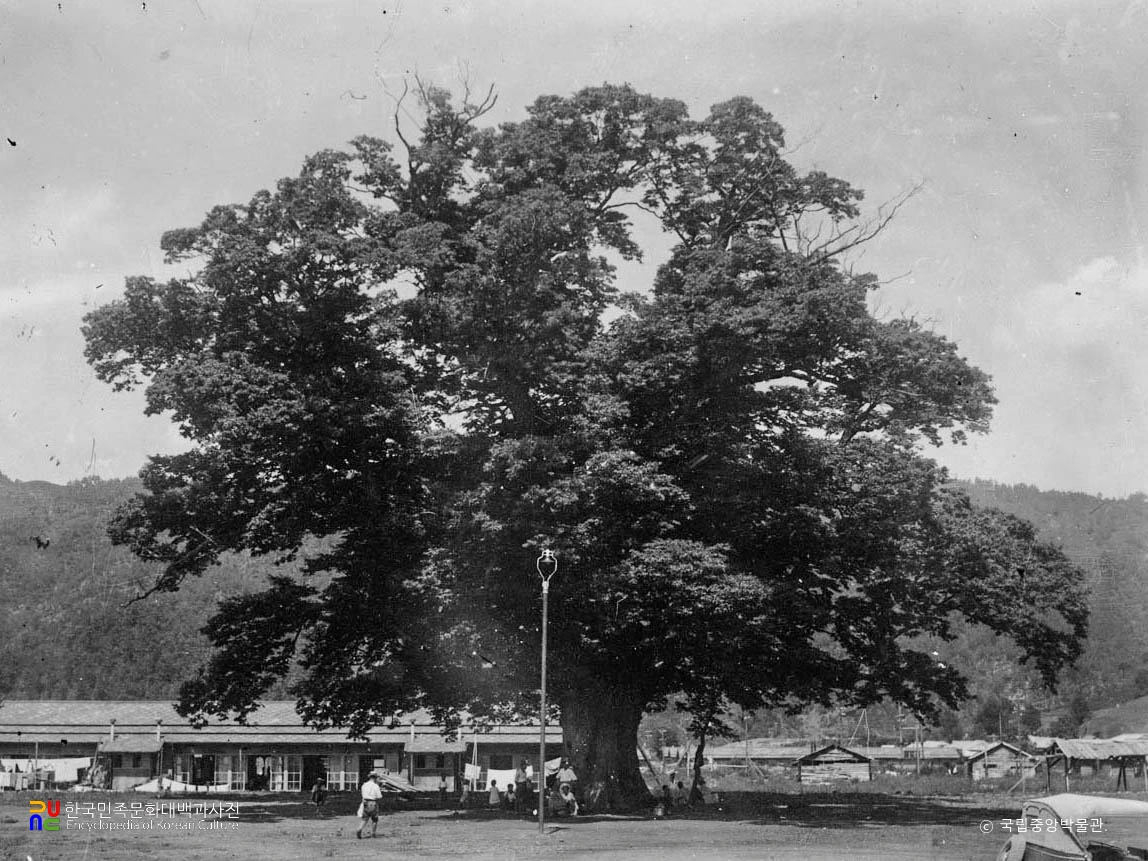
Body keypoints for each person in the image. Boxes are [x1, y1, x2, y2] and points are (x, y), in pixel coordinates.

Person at [355, 772, 383, 839]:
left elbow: (363, 794)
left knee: (365, 818)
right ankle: (373, 833)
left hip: (365, 802)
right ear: (375, 778)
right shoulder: (375, 786)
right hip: (373, 802)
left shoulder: (364, 785)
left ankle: (359, 829)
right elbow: (379, 796)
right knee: (374, 819)